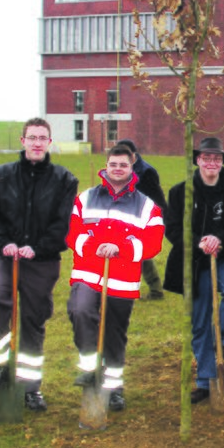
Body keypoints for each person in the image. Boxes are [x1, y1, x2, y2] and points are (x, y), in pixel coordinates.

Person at [0, 118, 78, 411]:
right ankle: (0, 365)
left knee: (33, 321)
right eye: (31, 137)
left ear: (49, 142)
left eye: (42, 138)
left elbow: (65, 224)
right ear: (22, 141)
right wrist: (3, 243)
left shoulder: (64, 179)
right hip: (5, 256)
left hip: (41, 261)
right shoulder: (0, 175)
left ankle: (31, 387)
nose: (36, 142)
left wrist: (38, 247)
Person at [66, 144, 164, 411]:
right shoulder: (85, 198)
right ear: (106, 166)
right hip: (88, 273)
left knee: (114, 334)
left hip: (122, 281)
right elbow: (72, 233)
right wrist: (89, 246)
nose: (118, 169)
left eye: (123, 165)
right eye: (113, 164)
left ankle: (114, 388)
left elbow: (154, 243)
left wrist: (122, 249)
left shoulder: (146, 206)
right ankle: (90, 367)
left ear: (132, 168)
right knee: (80, 310)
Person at [163, 137, 224, 404]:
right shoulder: (180, 192)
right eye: (206, 157)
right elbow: (173, 229)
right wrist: (198, 242)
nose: (212, 162)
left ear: (222, 161)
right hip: (192, 261)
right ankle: (205, 380)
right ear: (197, 160)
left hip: (222, 257)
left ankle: (222, 336)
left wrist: (219, 239)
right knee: (199, 322)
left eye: (217, 158)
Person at [117, 138, 168, 300]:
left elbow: (157, 198)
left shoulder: (146, 172)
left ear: (133, 155)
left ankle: (152, 290)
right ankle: (151, 289)